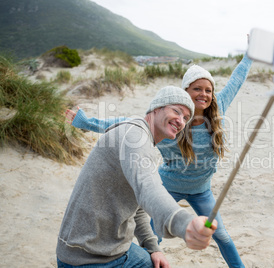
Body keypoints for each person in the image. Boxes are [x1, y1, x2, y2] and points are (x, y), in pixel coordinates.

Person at [66, 54, 252, 268]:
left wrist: (249, 55)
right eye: (197, 89)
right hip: (169, 186)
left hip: (202, 191)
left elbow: (236, 80)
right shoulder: (172, 126)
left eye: (208, 90)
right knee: (154, 239)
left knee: (222, 236)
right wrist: (86, 122)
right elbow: (123, 122)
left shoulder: (218, 110)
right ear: (185, 93)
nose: (203, 94)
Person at [57, 86, 217, 268]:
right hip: (88, 258)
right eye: (177, 111)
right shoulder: (135, 137)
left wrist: (153, 248)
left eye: (186, 118)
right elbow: (148, 188)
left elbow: (137, 204)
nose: (181, 121)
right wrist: (184, 223)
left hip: (104, 249)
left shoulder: (140, 136)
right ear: (157, 108)